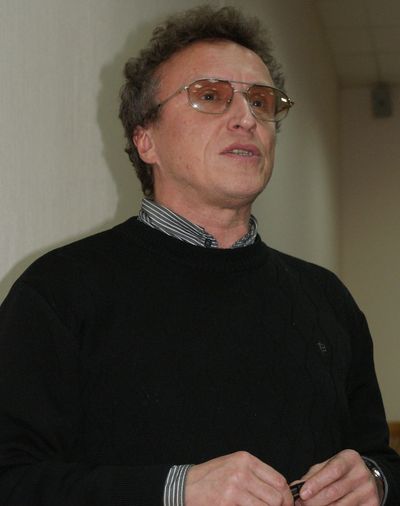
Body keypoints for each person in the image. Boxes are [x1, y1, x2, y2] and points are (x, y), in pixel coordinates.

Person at [0, 4, 399, 506]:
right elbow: (12, 480)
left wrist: (375, 480)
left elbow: (380, 458)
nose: (246, 118)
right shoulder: (60, 290)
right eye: (210, 96)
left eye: (261, 101)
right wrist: (176, 490)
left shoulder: (327, 299)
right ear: (145, 139)